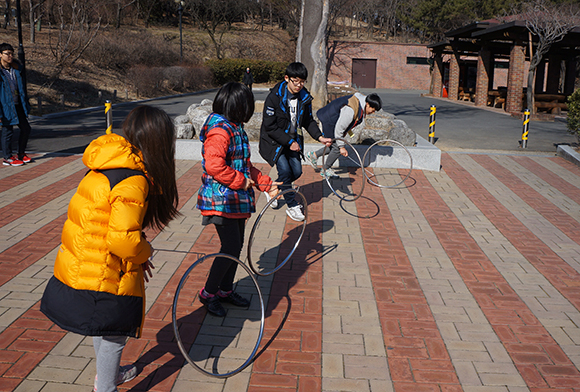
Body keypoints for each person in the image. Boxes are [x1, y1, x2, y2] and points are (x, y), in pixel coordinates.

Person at [40, 105, 180, 392]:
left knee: (103, 325)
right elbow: (121, 241)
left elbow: (115, 229)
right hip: (103, 268)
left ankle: (108, 375)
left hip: (87, 260)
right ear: (158, 143)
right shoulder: (134, 180)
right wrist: (145, 251)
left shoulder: (110, 163)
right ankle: (105, 386)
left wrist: (138, 251)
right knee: (115, 331)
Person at [197, 82, 279, 317]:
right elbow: (214, 166)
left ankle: (224, 289)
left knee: (235, 247)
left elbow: (243, 165)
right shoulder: (220, 131)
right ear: (238, 106)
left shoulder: (235, 127)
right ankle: (208, 292)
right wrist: (240, 182)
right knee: (230, 248)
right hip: (221, 201)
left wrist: (264, 183)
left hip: (235, 200)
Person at [259, 62, 331, 221]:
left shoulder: (304, 97)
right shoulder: (274, 97)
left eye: (302, 82)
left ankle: (273, 188)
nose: (299, 85)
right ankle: (292, 206)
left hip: (293, 140)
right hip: (275, 142)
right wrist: (289, 142)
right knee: (285, 171)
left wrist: (320, 137)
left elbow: (308, 121)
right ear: (287, 78)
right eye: (295, 81)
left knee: (296, 172)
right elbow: (270, 127)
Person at [306, 92, 382, 177]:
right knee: (337, 148)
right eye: (373, 110)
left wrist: (349, 132)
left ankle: (313, 155)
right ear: (367, 104)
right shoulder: (351, 109)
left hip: (333, 121)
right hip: (329, 121)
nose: (373, 112)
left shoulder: (361, 105)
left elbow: (348, 123)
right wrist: (341, 147)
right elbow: (340, 128)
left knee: (333, 145)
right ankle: (325, 169)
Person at [0, 43, 32, 167]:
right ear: (0, 55)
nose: (10, 56)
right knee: (7, 132)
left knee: (26, 129)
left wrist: (26, 104)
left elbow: (22, 88)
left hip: (18, 104)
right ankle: (7, 157)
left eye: (11, 54)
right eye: (7, 54)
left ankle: (21, 153)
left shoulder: (17, 69)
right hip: (5, 106)